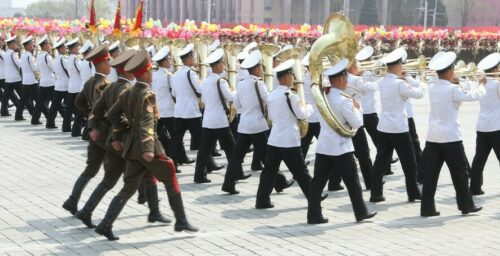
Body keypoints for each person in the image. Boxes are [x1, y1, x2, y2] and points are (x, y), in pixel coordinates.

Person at [95, 50, 197, 241]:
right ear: (144, 74)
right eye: (150, 72)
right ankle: (181, 220)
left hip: (132, 148)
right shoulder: (146, 95)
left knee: (128, 188)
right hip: (147, 147)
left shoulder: (129, 92)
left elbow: (112, 115)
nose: (152, 75)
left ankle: (105, 224)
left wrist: (123, 131)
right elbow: (146, 123)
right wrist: (148, 148)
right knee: (170, 177)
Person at [307, 59, 376, 224]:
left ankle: (313, 215)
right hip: (341, 147)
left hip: (324, 146)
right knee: (353, 183)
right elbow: (357, 124)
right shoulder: (345, 100)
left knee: (317, 183)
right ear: (338, 79)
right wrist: (358, 108)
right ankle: (361, 212)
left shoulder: (324, 96)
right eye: (345, 77)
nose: (347, 81)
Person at [420, 51, 484, 217]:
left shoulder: (433, 86)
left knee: (431, 175)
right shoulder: (452, 89)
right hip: (451, 138)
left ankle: (427, 208)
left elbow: (455, 90)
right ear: (448, 72)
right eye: (453, 71)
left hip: (433, 137)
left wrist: (458, 83)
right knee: (460, 174)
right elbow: (474, 96)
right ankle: (466, 205)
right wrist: (482, 85)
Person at [222, 50, 293, 195]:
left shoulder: (241, 83)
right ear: (256, 69)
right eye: (261, 67)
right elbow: (269, 100)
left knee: (237, 157)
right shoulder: (258, 84)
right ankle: (280, 182)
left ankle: (228, 183)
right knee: (268, 158)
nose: (262, 69)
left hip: (244, 125)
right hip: (257, 125)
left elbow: (237, 104)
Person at [255, 59, 323, 209]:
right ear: (286, 77)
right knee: (301, 172)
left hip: (275, 139)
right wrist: (310, 107)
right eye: (292, 75)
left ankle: (262, 200)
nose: (293, 78)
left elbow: (271, 117)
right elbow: (302, 114)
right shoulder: (290, 96)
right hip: (289, 140)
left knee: (269, 172)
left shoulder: (272, 95)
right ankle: (314, 196)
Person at [62, 43, 112, 216]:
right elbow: (102, 108)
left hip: (94, 132)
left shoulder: (90, 81)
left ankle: (72, 200)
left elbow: (79, 102)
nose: (110, 65)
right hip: (104, 133)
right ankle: (148, 199)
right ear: (102, 64)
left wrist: (89, 115)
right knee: (123, 168)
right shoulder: (103, 84)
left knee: (90, 170)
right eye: (108, 62)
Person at [370, 48, 424, 203]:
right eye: (401, 65)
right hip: (399, 128)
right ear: (396, 66)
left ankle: (376, 193)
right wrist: (414, 81)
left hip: (384, 126)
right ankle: (413, 192)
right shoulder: (400, 83)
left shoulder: (382, 81)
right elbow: (420, 94)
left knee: (380, 161)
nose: (403, 67)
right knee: (409, 162)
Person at [194, 49, 251, 183]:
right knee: (231, 149)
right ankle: (237, 173)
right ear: (217, 65)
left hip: (208, 120)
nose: (224, 67)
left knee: (204, 150)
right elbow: (231, 97)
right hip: (219, 121)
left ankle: (199, 175)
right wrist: (239, 90)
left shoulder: (206, 81)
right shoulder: (221, 82)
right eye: (222, 64)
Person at [169, 43, 222, 171]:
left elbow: (174, 94)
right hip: (192, 112)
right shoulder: (191, 74)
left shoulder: (175, 75)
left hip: (179, 111)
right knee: (203, 141)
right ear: (188, 58)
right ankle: (209, 164)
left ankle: (170, 165)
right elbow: (200, 89)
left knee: (176, 141)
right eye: (193, 57)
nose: (194, 60)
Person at [151, 46, 193, 173]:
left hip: (158, 110)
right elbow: (173, 93)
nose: (170, 61)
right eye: (168, 59)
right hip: (169, 110)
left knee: (159, 137)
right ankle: (174, 163)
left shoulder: (154, 75)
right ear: (164, 62)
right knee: (175, 137)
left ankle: (175, 158)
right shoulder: (169, 76)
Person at [469, 53, 500, 195]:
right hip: (496, 126)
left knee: (479, 159)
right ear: (495, 69)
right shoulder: (497, 84)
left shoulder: (480, 83)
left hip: (482, 126)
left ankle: (475, 187)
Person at [33, 35, 55, 126]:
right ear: (45, 46)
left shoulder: (39, 56)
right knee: (56, 104)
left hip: (43, 82)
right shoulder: (47, 57)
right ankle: (51, 122)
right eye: (49, 44)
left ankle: (34, 120)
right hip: (50, 82)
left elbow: (37, 67)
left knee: (39, 103)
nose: (50, 46)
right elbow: (53, 69)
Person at [48, 38, 69, 130]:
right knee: (72, 106)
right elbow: (68, 71)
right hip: (65, 85)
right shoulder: (63, 59)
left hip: (58, 85)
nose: (66, 49)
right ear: (60, 49)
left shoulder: (56, 59)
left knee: (54, 106)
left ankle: (50, 123)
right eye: (64, 47)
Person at [2, 35, 24, 120]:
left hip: (8, 78)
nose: (16, 44)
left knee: (5, 97)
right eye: (15, 43)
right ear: (10, 45)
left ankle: (4, 111)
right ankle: (30, 111)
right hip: (15, 78)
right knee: (23, 97)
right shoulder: (13, 54)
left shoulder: (6, 53)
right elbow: (20, 64)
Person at [65, 38, 84, 136]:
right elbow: (81, 70)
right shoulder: (76, 59)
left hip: (71, 86)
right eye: (77, 46)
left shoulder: (69, 58)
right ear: (73, 49)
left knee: (69, 109)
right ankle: (76, 130)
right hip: (77, 86)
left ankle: (66, 126)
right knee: (79, 110)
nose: (78, 48)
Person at [19, 36, 38, 119]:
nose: (33, 45)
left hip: (25, 80)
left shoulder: (23, 55)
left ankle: (18, 115)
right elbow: (35, 68)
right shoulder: (29, 56)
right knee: (39, 100)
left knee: (23, 100)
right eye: (31, 44)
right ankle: (46, 116)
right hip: (32, 81)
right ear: (26, 46)